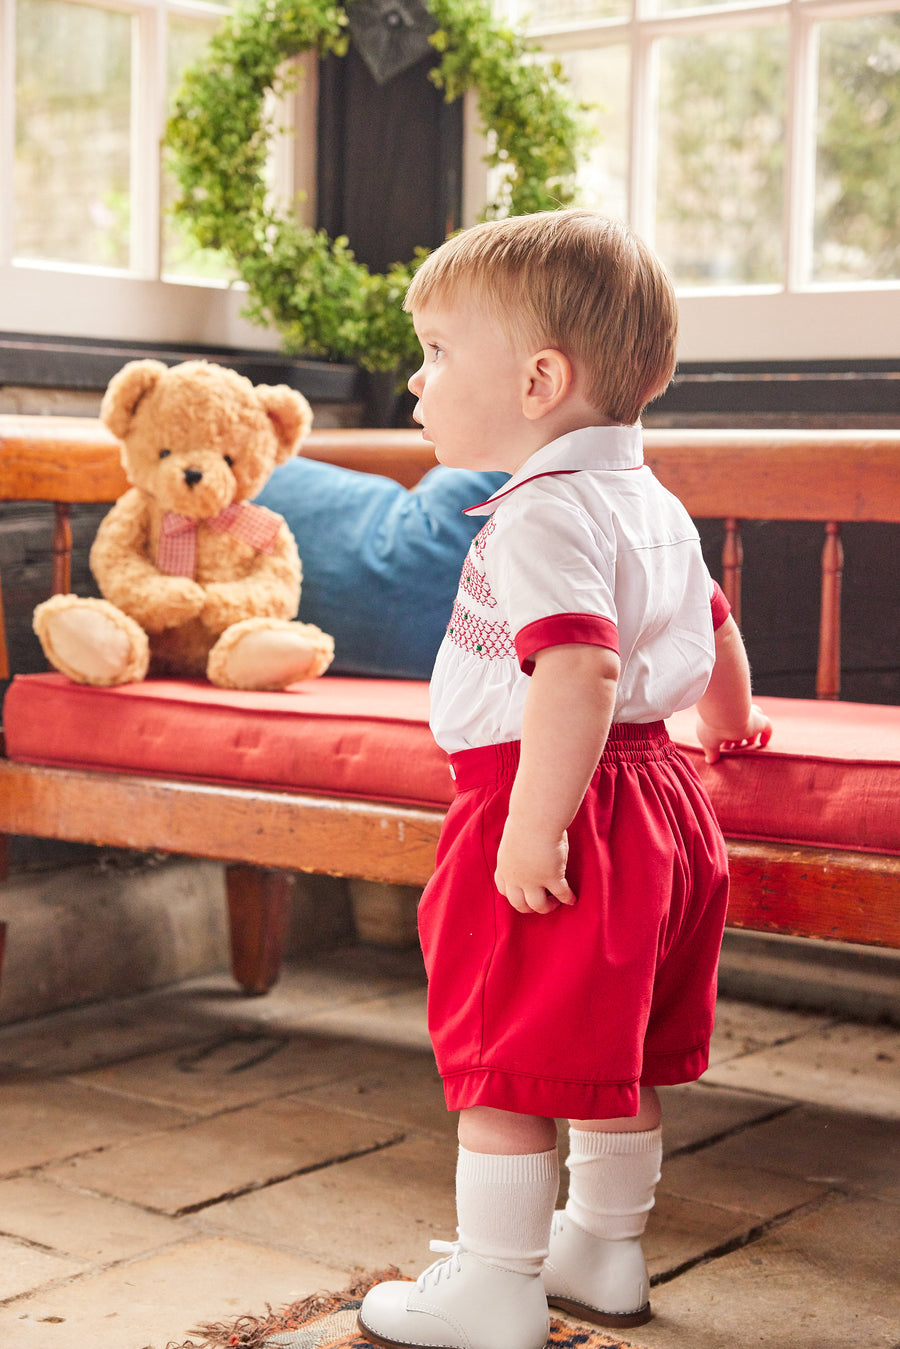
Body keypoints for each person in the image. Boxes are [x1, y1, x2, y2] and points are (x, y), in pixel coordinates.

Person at [357, 209, 772, 1349]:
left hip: (553, 796)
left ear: (541, 379)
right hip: (668, 801)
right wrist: (732, 729)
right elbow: (718, 627)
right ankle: (604, 1243)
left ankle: (496, 1280)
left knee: (502, 1052)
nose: (417, 377)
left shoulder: (540, 512)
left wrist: (532, 831)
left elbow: (579, 672)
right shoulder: (654, 500)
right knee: (615, 1040)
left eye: (438, 351)